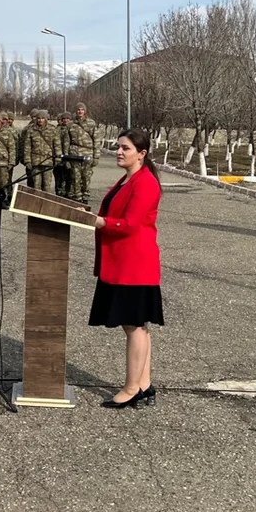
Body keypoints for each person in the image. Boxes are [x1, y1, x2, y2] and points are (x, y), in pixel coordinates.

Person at [89, 129, 164, 409]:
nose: (119, 152)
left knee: (134, 326)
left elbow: (129, 224)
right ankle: (144, 385)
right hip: (122, 262)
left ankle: (132, 388)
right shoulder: (128, 178)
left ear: (141, 154)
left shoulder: (145, 182)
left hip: (134, 266)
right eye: (118, 146)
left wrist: (97, 221)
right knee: (136, 325)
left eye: (125, 148)